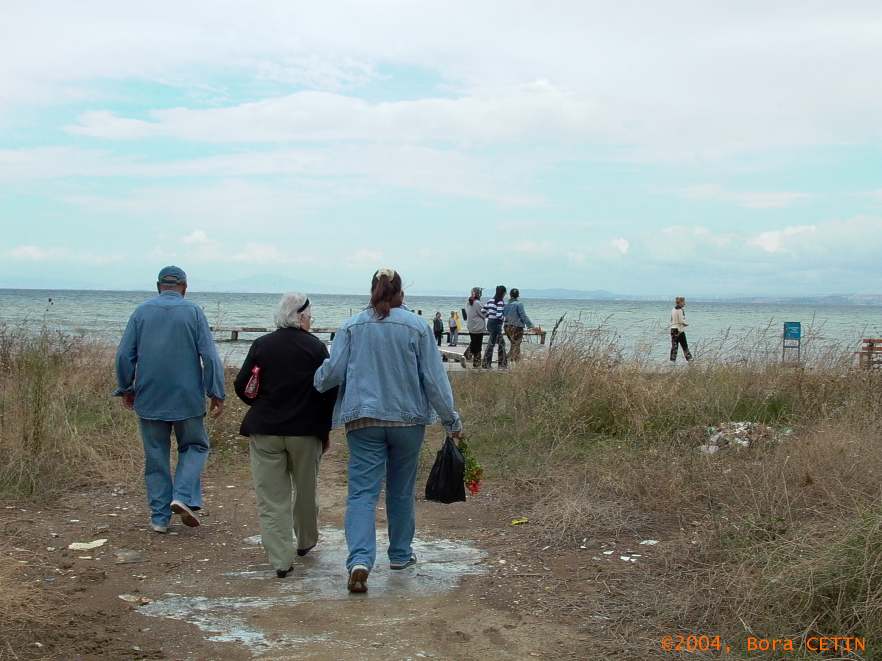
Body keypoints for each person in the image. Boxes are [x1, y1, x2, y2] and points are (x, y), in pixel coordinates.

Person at [314, 268, 463, 594]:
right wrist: (451, 421)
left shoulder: (351, 326)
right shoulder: (418, 327)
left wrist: (316, 377)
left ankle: (359, 560)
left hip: (363, 421)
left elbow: (331, 374)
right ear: (401, 293)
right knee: (400, 490)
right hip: (408, 421)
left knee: (362, 493)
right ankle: (399, 555)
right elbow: (434, 380)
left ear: (373, 291)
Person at [114, 266, 225, 534]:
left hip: (150, 396)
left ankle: (159, 518)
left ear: (158, 286)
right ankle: (183, 495)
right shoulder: (194, 312)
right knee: (195, 446)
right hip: (187, 398)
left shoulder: (141, 312)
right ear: (184, 287)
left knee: (156, 456)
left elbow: (124, 355)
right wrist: (216, 391)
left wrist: (126, 387)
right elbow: (209, 356)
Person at [234, 293, 337, 578]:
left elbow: (242, 385)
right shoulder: (316, 347)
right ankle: (305, 540)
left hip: (265, 429)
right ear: (301, 317)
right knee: (305, 490)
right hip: (306, 431)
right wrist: (325, 429)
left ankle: (281, 560)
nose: (311, 320)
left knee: (271, 498)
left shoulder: (262, 345)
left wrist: (259, 404)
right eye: (310, 316)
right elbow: (330, 390)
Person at [503, 288, 537, 362]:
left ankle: (507, 360)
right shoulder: (519, 304)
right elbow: (523, 316)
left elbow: (504, 315)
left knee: (513, 344)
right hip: (517, 327)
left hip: (506, 327)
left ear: (510, 295)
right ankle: (516, 362)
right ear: (518, 295)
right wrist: (531, 326)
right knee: (517, 345)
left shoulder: (506, 305)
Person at [482, 285, 508, 369]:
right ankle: (502, 364)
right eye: (505, 292)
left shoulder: (490, 300)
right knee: (501, 344)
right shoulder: (500, 302)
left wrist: (489, 316)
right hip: (496, 324)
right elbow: (499, 315)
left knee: (492, 343)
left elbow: (483, 310)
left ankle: (486, 363)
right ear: (503, 293)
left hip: (490, 323)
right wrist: (504, 319)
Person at [464, 287, 486, 367]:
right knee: (478, 345)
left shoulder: (468, 303)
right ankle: (475, 361)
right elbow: (484, 314)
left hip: (471, 326)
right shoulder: (477, 303)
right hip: (478, 327)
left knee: (474, 342)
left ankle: (468, 356)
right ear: (479, 294)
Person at [670, 296, 693, 362]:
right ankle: (690, 360)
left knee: (674, 347)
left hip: (673, 329)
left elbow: (671, 319)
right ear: (680, 302)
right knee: (685, 346)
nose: (684, 304)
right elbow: (681, 321)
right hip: (679, 330)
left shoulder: (673, 309)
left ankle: (672, 361)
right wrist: (686, 324)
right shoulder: (680, 310)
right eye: (684, 302)